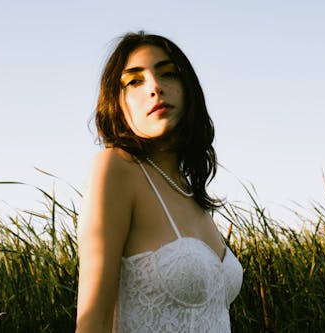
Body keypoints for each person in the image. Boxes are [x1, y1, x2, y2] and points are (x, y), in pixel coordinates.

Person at [76, 31, 243, 333]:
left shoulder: (190, 191)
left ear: (188, 90)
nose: (155, 87)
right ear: (117, 101)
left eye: (168, 74)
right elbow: (92, 321)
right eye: (135, 81)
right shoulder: (116, 168)